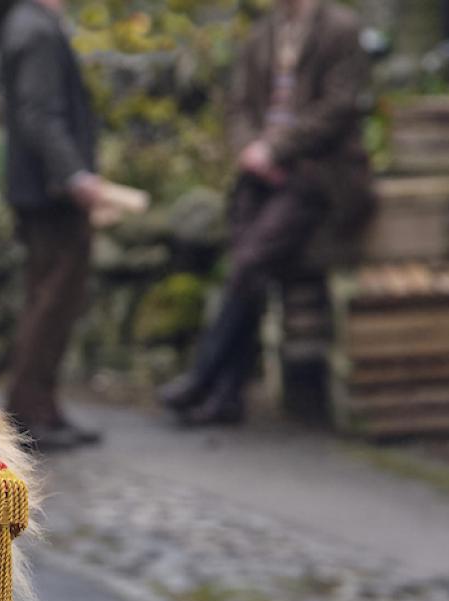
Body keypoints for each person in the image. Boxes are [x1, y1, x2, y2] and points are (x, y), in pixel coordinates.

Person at [156, 0, 375, 426]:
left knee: (250, 262)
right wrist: (252, 152)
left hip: (319, 174)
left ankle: (206, 378)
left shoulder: (340, 28)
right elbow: (238, 107)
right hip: (260, 174)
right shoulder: (263, 34)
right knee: (246, 270)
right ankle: (226, 396)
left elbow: (340, 106)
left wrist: (275, 148)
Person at [0, 0, 108, 451]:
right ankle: (30, 413)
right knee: (52, 302)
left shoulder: (29, 24)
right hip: (50, 193)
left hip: (41, 189)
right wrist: (74, 176)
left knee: (49, 297)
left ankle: (41, 407)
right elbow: (40, 114)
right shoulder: (37, 30)